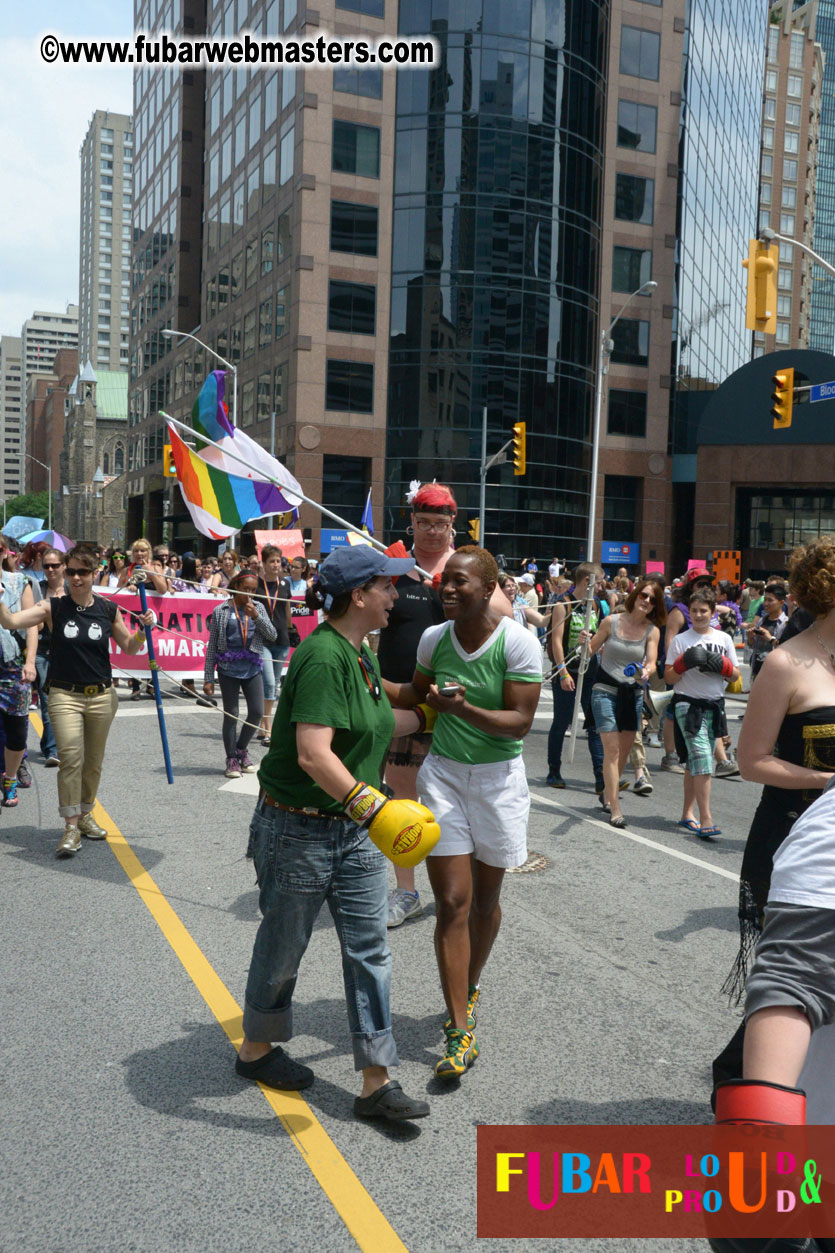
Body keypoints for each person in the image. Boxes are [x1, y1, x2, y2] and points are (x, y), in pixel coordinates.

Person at [237, 545, 434, 1120]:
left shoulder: (358, 652)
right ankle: (256, 1047)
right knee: (284, 946)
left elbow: (375, 719)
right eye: (388, 588)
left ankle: (377, 1081)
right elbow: (312, 754)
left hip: (352, 829)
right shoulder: (324, 656)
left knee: (369, 947)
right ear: (359, 596)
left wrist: (427, 715)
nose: (396, 596)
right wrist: (372, 808)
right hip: (300, 828)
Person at [386, 547, 542, 1079]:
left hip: (499, 783)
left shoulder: (518, 643)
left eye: (459, 582)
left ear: (488, 586)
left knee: (486, 902)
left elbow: (520, 722)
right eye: (442, 582)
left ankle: (468, 987)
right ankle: (458, 1029)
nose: (446, 590)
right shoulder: (434, 639)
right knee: (453, 900)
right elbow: (414, 693)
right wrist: (362, 672)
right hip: (444, 776)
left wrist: (464, 709)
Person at [712, 536, 835, 1095]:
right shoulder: (787, 663)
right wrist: (824, 781)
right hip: (795, 842)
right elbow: (752, 760)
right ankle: (744, 1089)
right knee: (794, 976)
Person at [0, 544, 155, 856]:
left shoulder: (108, 609)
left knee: (92, 763)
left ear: (95, 572)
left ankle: (85, 814)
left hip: (101, 696)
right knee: (70, 758)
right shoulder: (52, 607)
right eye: (70, 571)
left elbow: (129, 647)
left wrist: (143, 630)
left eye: (82, 572)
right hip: (63, 695)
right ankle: (70, 827)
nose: (75, 577)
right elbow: (11, 623)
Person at [376, 482, 456, 928]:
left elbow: (504, 613)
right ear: (412, 523)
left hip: (453, 704)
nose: (430, 531)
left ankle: (449, 884)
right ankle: (407, 892)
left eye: (439, 524)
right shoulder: (395, 566)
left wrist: (454, 587)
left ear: (451, 525)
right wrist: (384, 569)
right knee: (402, 801)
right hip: (400, 700)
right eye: (423, 523)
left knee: (446, 802)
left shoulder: (465, 567)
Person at [664, 586, 739, 839]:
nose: (698, 615)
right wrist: (683, 664)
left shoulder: (724, 639)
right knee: (703, 760)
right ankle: (706, 818)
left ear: (712, 611)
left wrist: (724, 665)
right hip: (688, 704)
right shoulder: (681, 640)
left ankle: (688, 813)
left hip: (714, 705)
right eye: (694, 611)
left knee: (693, 764)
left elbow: (736, 676)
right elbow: (669, 677)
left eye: (703, 611)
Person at [587, 580, 663, 828]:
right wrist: (583, 642)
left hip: (632, 693)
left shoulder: (653, 631)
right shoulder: (611, 621)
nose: (647, 602)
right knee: (612, 750)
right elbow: (590, 650)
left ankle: (607, 793)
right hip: (604, 689)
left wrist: (647, 671)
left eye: (653, 600)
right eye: (644, 595)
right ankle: (615, 808)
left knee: (623, 752)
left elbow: (651, 662)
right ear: (635, 594)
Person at [204, 570, 276, 777]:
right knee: (232, 713)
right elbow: (212, 648)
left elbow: (272, 635)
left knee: (256, 711)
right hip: (227, 668)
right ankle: (231, 759)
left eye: (254, 590)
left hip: (252, 666)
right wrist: (209, 677)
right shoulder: (221, 610)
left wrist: (256, 617)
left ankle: (241, 749)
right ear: (236, 587)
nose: (250, 594)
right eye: (246, 590)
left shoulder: (259, 607)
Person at [545, 562, 605, 792]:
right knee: (561, 722)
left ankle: (601, 776)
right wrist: (562, 673)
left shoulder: (596, 605)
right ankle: (554, 770)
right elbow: (557, 641)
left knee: (594, 724)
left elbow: (598, 636)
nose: (601, 587)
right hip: (567, 670)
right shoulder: (564, 605)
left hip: (590, 670)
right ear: (587, 582)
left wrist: (593, 643)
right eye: (599, 582)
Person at [0, 534, 38, 808]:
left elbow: (32, 624)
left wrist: (31, 662)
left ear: (5, 553)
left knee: (16, 732)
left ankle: (10, 777)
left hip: (14, 669)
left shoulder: (18, 582)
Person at [32, 546, 67, 767]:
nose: (51, 569)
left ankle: (49, 743)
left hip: (67, 653)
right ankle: (53, 750)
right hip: (43, 652)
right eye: (46, 566)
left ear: (64, 566)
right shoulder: (38, 588)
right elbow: (36, 624)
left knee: (64, 703)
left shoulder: (73, 591)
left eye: (55, 565)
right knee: (48, 702)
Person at [255, 544, 292, 744]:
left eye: (278, 561)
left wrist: (292, 629)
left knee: (275, 685)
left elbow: (286, 610)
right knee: (269, 683)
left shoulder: (285, 584)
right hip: (262, 641)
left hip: (282, 640)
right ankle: (267, 725)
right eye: (272, 561)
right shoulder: (256, 585)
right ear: (264, 564)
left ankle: (263, 724)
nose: (276, 565)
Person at [747, 580, 788, 681]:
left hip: (776, 675)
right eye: (765, 599)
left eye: (770, 600)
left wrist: (770, 638)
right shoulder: (762, 620)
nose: (765, 603)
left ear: (781, 602)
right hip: (757, 671)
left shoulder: (786, 624)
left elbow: (787, 651)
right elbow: (753, 645)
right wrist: (750, 638)